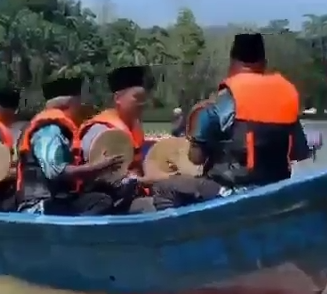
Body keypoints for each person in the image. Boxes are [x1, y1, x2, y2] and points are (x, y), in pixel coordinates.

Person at [153, 33, 311, 209]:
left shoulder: (225, 99)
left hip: (232, 190)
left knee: (164, 188)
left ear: (232, 62)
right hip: (276, 187)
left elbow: (196, 158)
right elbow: (299, 153)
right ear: (264, 64)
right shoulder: (286, 95)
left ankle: (183, 233)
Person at [16, 76, 123, 215]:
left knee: (106, 193)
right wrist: (98, 167)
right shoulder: (49, 130)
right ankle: (75, 235)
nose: (82, 107)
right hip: (38, 206)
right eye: (80, 102)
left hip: (57, 200)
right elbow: (55, 171)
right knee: (101, 201)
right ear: (70, 103)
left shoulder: (59, 129)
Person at [79, 66, 157, 213]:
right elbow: (96, 175)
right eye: (137, 98)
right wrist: (142, 180)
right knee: (150, 208)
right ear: (118, 99)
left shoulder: (135, 127)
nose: (142, 104)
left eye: (144, 99)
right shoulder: (99, 129)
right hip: (106, 197)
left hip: (132, 191)